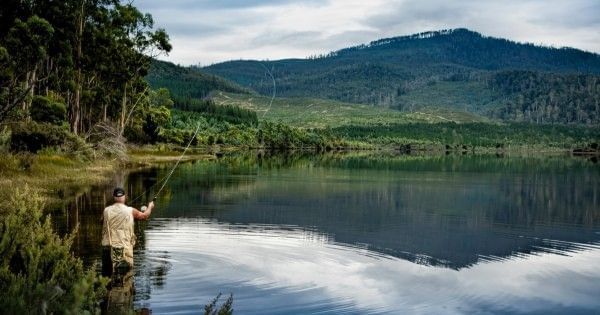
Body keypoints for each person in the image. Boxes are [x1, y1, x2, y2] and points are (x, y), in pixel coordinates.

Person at [101, 187, 154, 277]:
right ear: (124, 197)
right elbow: (145, 216)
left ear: (114, 198)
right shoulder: (130, 210)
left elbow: (101, 221)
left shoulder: (106, 210)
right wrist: (150, 206)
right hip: (123, 249)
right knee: (125, 276)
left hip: (107, 248)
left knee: (106, 276)